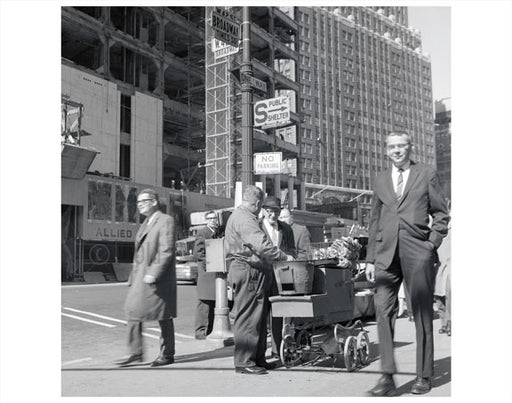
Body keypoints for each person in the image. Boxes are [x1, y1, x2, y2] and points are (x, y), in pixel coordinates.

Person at [365, 132, 450, 396]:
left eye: (401, 146)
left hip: (417, 251)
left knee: (422, 314)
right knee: (383, 312)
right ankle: (387, 377)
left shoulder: (426, 173)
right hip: (384, 255)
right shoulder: (380, 179)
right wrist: (369, 258)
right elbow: (375, 221)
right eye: (392, 146)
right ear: (386, 150)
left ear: (410, 148)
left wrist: (430, 244)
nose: (397, 150)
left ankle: (423, 375)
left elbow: (441, 213)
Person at [225, 185, 294, 375]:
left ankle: (258, 358)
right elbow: (261, 245)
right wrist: (283, 256)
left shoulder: (241, 216)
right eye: (260, 206)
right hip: (249, 270)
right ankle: (244, 361)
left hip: (253, 270)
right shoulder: (245, 219)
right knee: (249, 316)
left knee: (259, 317)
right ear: (256, 203)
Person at [114, 189, 177, 368]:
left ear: (155, 202)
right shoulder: (146, 223)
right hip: (141, 277)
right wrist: (132, 277)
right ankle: (135, 352)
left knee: (163, 316)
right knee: (132, 311)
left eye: (144, 201)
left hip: (157, 278)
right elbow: (139, 253)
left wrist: (154, 273)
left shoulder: (166, 220)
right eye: (139, 202)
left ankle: (167, 354)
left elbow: (166, 250)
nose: (140, 204)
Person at [260, 197, 297, 359]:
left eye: (276, 211)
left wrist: (287, 257)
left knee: (277, 314)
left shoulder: (286, 229)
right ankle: (259, 353)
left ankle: (276, 351)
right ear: (263, 211)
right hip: (261, 275)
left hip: (281, 276)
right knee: (260, 316)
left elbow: (292, 251)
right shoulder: (256, 227)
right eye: (270, 211)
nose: (273, 215)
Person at [193, 211, 220, 339]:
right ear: (206, 220)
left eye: (215, 218)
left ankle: (209, 330)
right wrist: (209, 264)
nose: (213, 220)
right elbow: (198, 253)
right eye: (210, 218)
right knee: (204, 304)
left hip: (216, 274)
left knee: (215, 303)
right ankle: (200, 332)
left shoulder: (219, 232)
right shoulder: (203, 233)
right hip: (206, 273)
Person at [434, 224, 451, 336]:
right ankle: (443, 323)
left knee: (449, 294)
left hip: (450, 264)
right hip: (438, 264)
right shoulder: (435, 227)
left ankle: (450, 323)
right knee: (438, 295)